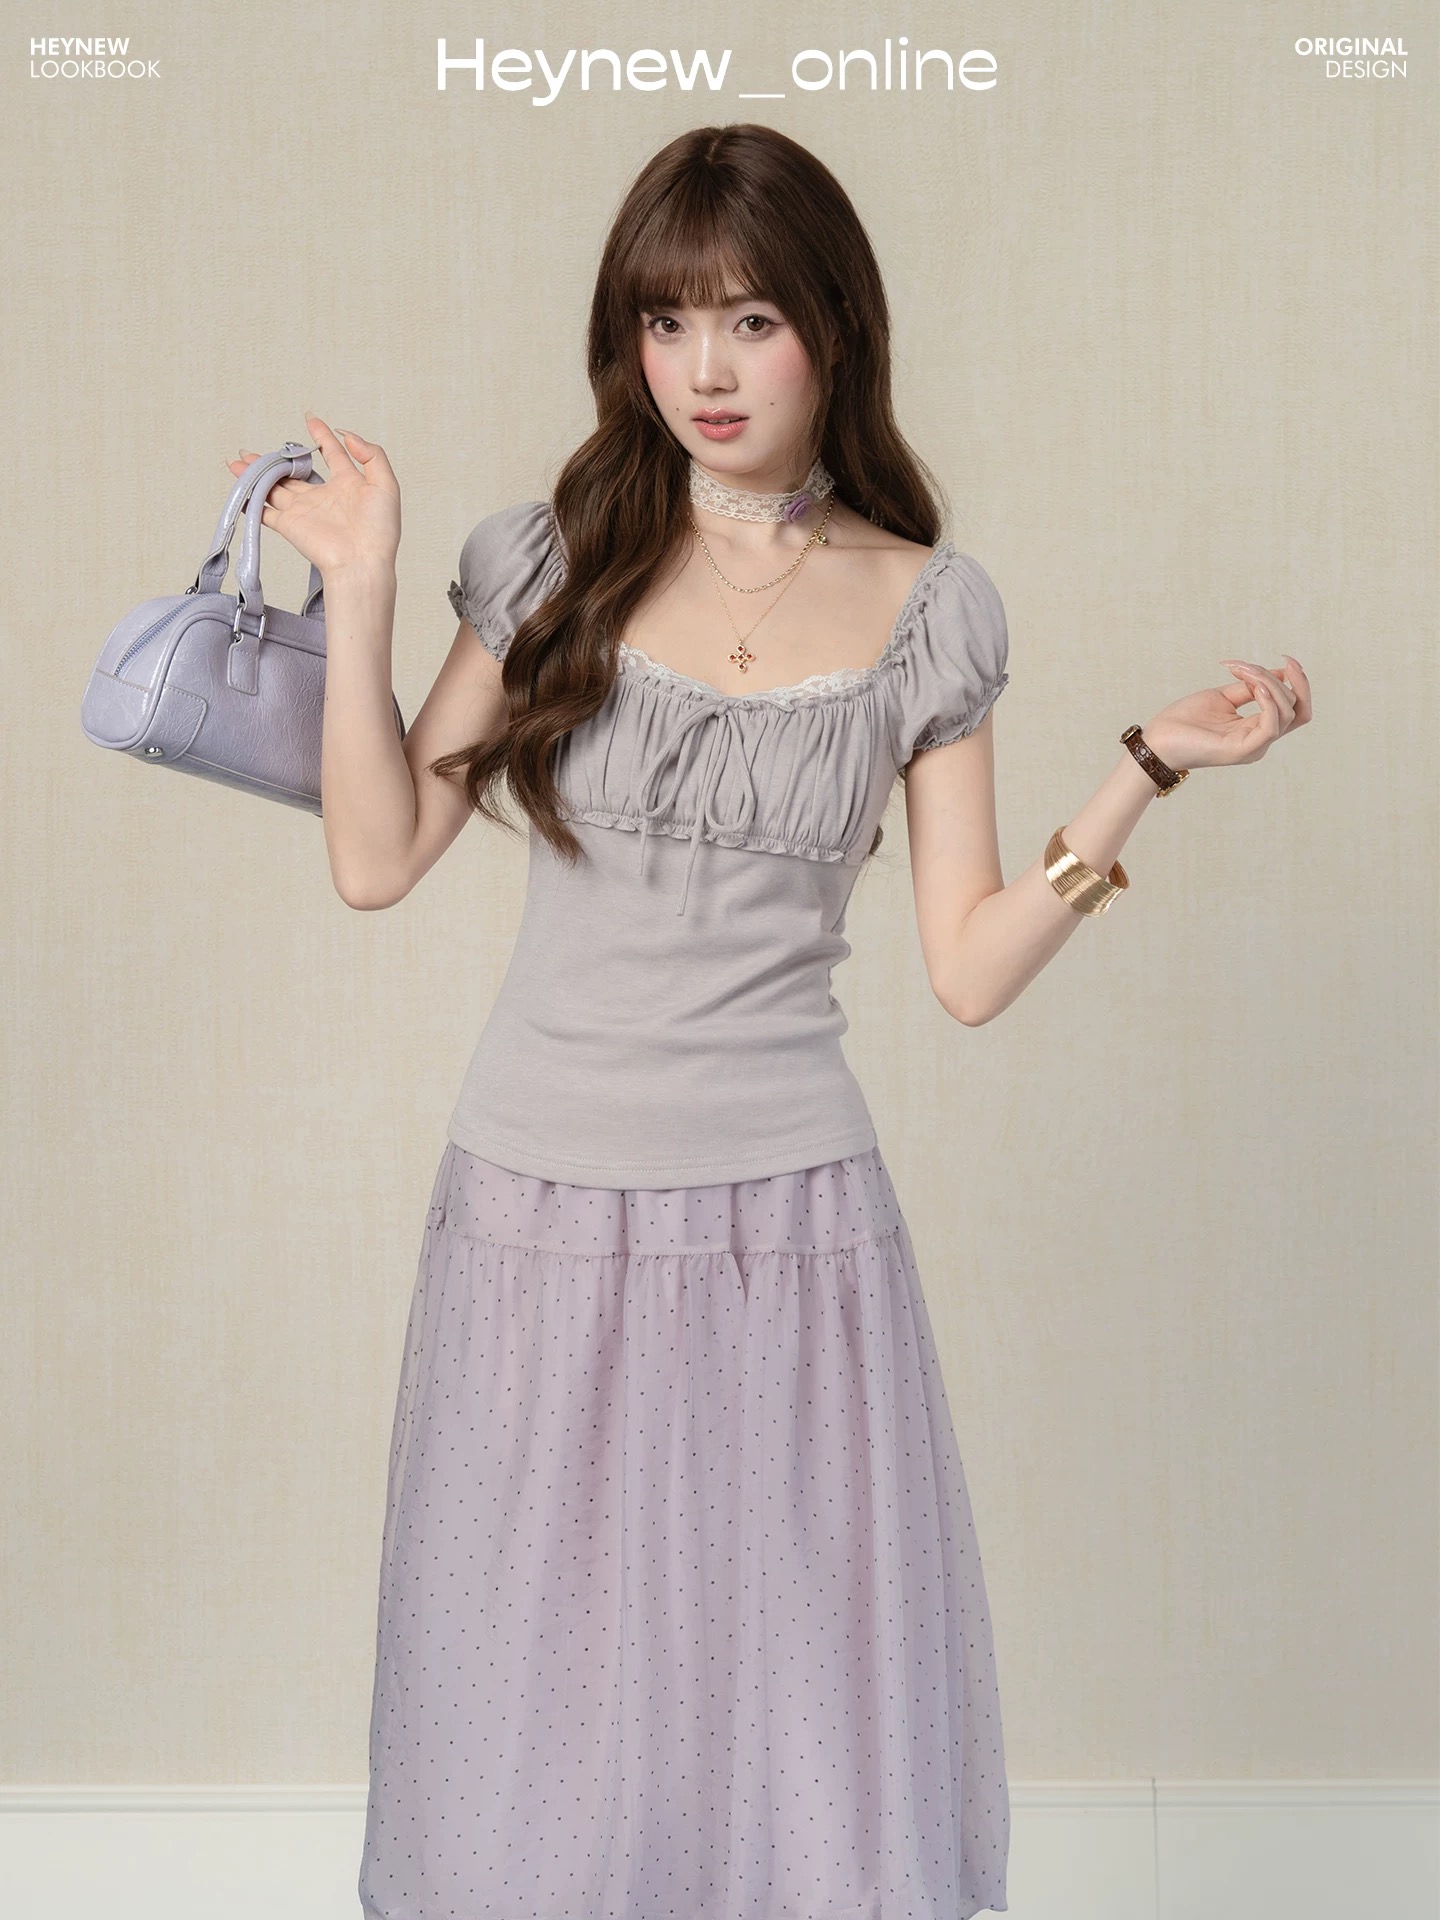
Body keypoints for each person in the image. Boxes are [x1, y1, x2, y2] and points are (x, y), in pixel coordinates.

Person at [229, 123, 1308, 1920]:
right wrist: (364, 590)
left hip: (790, 1228)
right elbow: (375, 854)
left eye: (748, 321)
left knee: (795, 1707)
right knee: (536, 1709)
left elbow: (967, 967)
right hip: (540, 1211)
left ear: (834, 328)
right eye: (666, 324)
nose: (704, 370)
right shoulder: (550, 557)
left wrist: (1145, 768)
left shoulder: (926, 609)